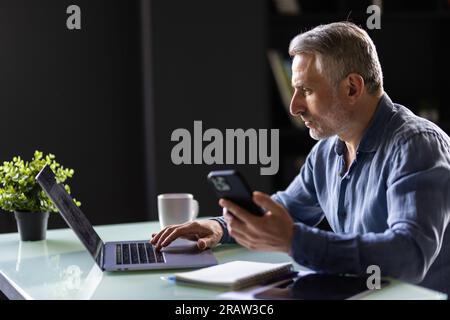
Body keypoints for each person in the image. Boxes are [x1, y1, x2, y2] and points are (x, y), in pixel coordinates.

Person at [151, 22, 450, 295]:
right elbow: (287, 209)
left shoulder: (416, 146)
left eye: (306, 90)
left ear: (352, 88)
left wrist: (294, 240)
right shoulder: (328, 150)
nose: (294, 107)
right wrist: (220, 227)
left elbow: (409, 255)